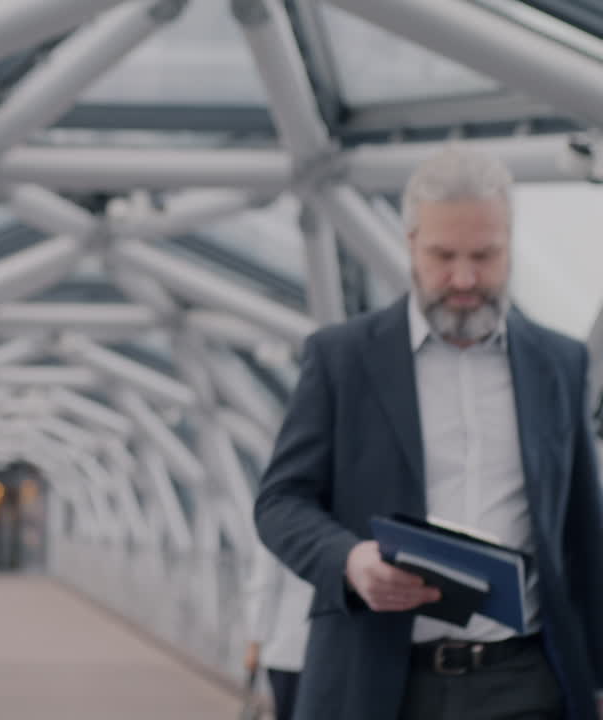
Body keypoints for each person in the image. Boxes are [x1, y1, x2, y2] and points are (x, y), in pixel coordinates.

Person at [254, 145, 603, 720]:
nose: (464, 278)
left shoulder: (559, 363)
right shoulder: (342, 359)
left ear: (509, 243)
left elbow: (585, 532)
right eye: (443, 255)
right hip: (376, 683)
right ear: (410, 244)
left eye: (485, 256)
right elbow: (279, 502)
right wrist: (349, 560)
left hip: (523, 682)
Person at [243, 541, 312, 720]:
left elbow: (263, 588)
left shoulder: (276, 529)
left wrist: (254, 643)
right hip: (319, 650)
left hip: (285, 647)